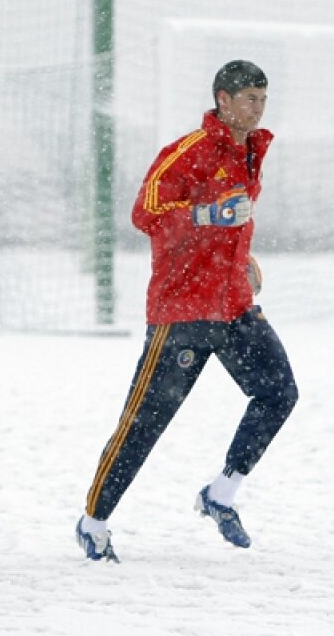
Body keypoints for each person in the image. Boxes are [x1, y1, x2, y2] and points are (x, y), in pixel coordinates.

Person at [76, 60, 299, 562]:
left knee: (279, 392)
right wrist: (207, 214)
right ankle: (93, 522)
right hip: (183, 312)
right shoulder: (188, 151)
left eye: (263, 98)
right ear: (223, 99)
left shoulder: (251, 150)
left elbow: (233, 222)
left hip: (233, 307)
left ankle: (220, 494)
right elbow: (145, 215)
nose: (258, 108)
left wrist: (242, 258)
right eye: (249, 98)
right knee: (145, 423)